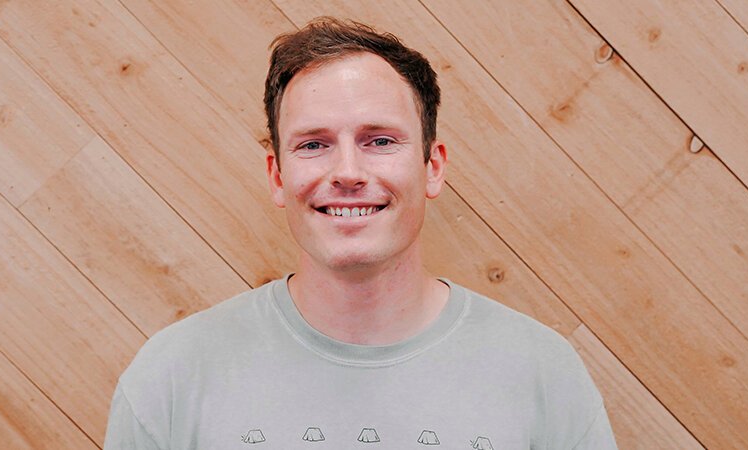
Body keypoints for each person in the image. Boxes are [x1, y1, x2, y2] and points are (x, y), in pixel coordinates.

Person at [104, 17, 617, 449]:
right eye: (313, 145)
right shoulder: (172, 377)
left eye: (379, 140)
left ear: (432, 167)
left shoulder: (544, 376)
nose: (347, 172)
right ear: (277, 176)